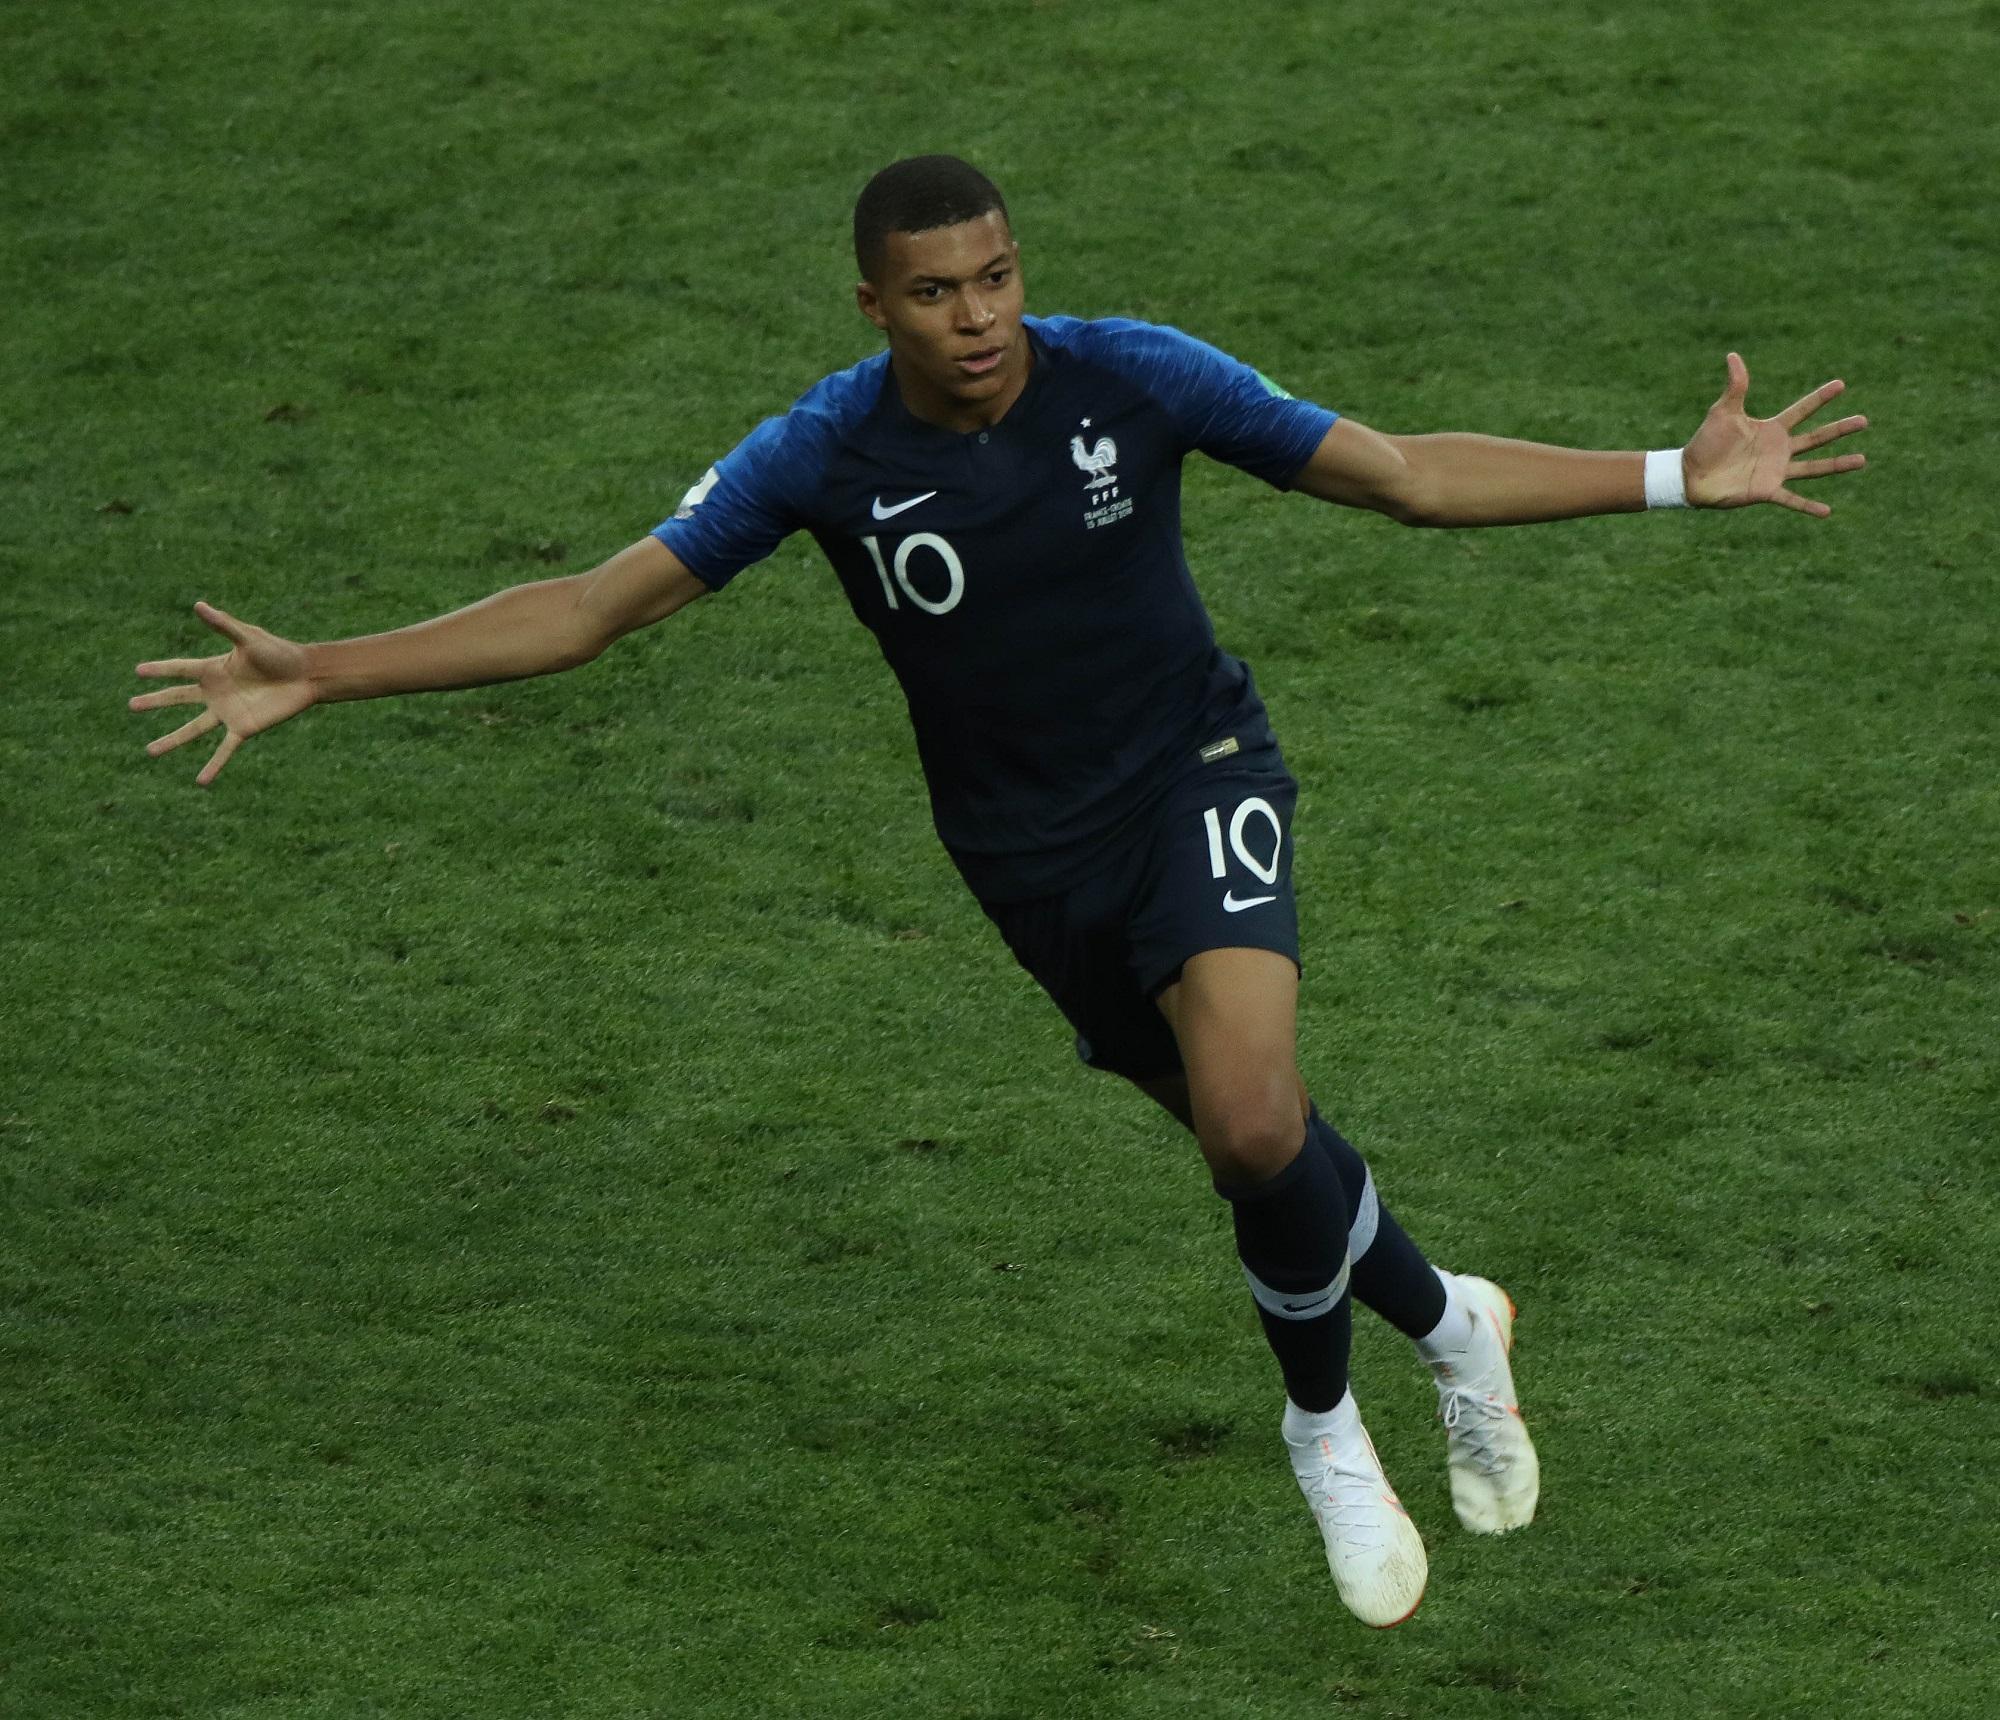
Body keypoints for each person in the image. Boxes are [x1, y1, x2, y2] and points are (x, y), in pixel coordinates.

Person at [130, 155, 1867, 1628]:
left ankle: (1325, 1430)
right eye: (937, 290)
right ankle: (1448, 1316)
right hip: (1029, 864)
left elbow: (1402, 473)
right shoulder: (819, 457)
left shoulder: (1135, 377)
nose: (979, 315)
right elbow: (590, 607)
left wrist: (1669, 474)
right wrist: (330, 670)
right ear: (872, 307)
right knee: (1239, 1137)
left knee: (1256, 1120)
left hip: (1198, 778)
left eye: (998, 276)